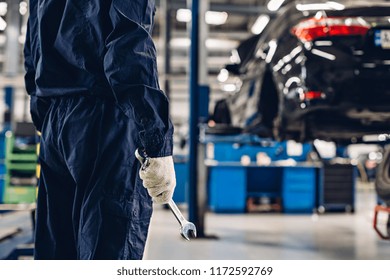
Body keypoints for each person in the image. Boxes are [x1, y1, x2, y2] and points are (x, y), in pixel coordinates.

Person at [24, 0, 176, 260]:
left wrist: (48, 121)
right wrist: (155, 139)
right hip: (106, 120)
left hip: (55, 123)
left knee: (57, 256)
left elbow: (33, 49)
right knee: (108, 253)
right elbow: (129, 45)